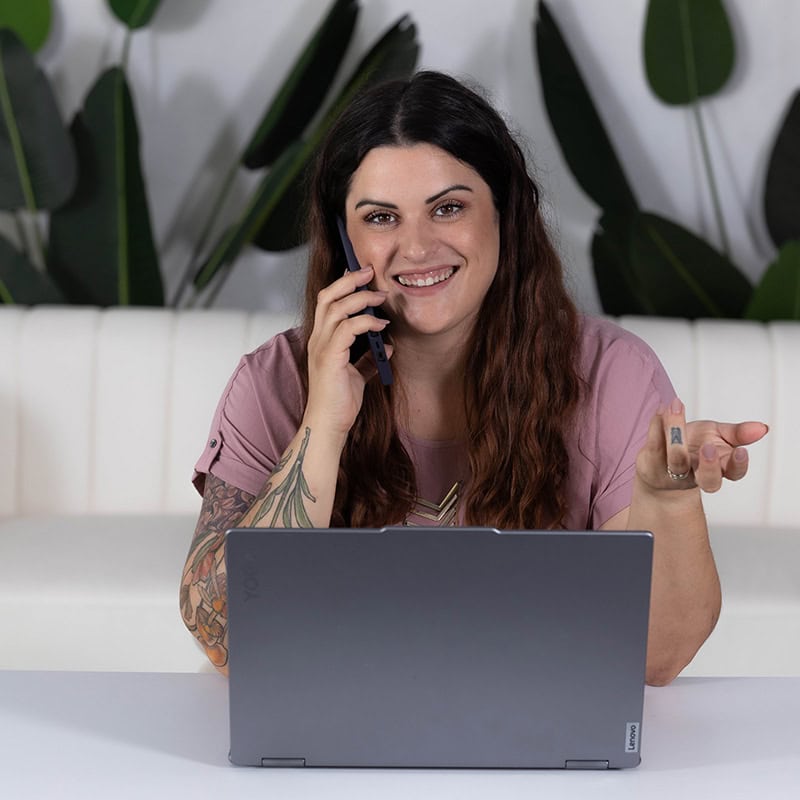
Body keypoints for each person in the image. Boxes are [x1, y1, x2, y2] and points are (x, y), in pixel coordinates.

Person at [179, 70, 768, 684]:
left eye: (449, 208)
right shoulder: (272, 381)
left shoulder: (616, 375)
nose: (416, 247)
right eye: (381, 218)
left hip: (539, 738)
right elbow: (225, 640)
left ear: (505, 215)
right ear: (344, 240)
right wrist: (322, 426)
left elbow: (657, 659)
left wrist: (667, 502)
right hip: (337, 736)